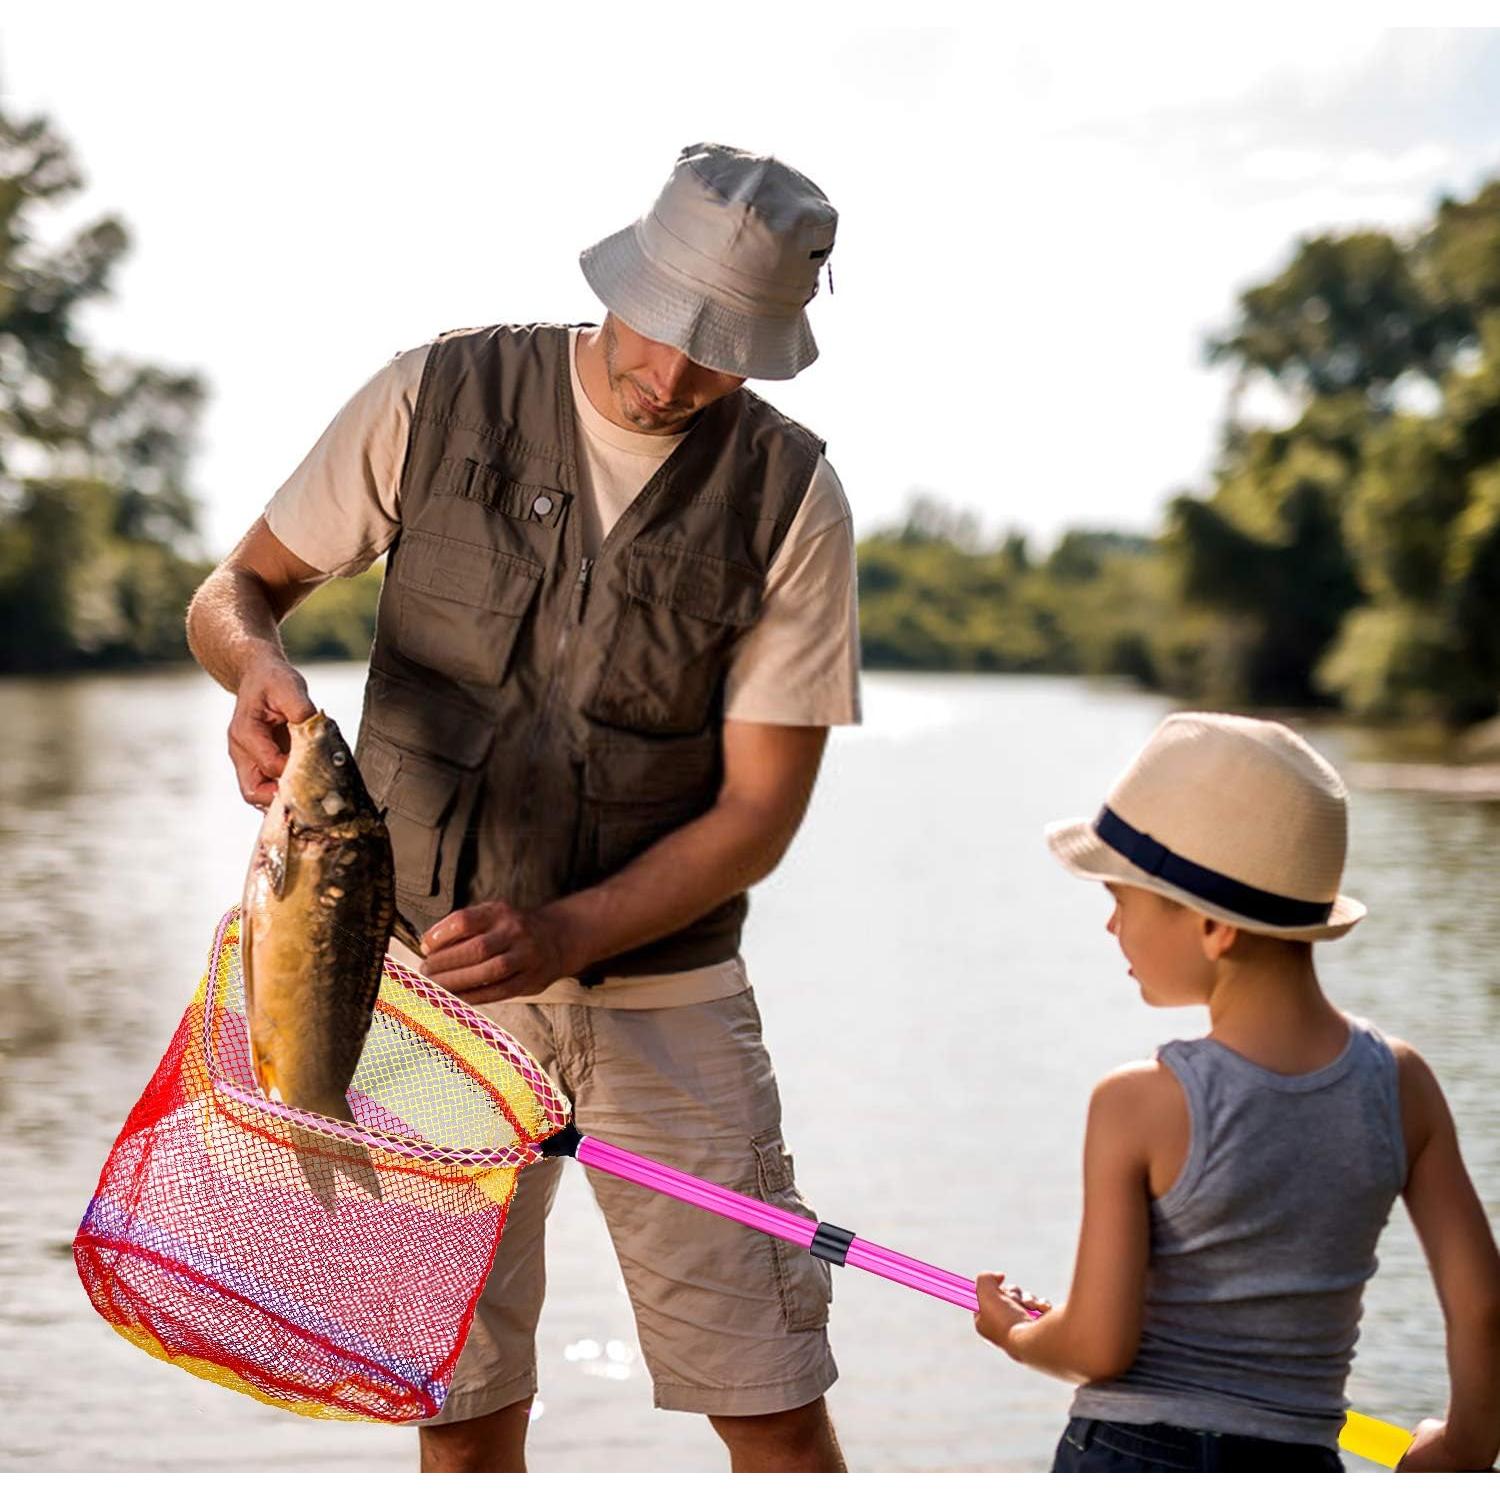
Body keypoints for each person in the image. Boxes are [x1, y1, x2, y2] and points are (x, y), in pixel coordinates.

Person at [186, 143, 858, 1473]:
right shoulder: (433, 394)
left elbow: (760, 816)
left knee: (770, 1398)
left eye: (722, 352)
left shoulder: (794, 496)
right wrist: (259, 668)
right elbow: (232, 593)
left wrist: (570, 933)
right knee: (464, 1398)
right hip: (421, 1006)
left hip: (670, 1015)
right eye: (663, 326)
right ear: (622, 275)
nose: (672, 376)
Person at [971, 712, 1500, 1473]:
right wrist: (1463, 1449)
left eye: (1125, 900)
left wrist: (1016, 1333)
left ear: (1215, 928)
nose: (1112, 926)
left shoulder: (1137, 1104)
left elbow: (1097, 1347)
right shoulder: (1402, 1084)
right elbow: (1483, 1307)